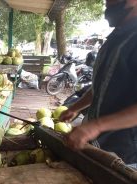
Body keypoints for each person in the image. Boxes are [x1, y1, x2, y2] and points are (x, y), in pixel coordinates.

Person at [60, 0, 137, 167]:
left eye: (111, 1)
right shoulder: (114, 39)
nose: (107, 5)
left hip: (126, 153)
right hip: (98, 143)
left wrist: (96, 126)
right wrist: (75, 108)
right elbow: (101, 86)